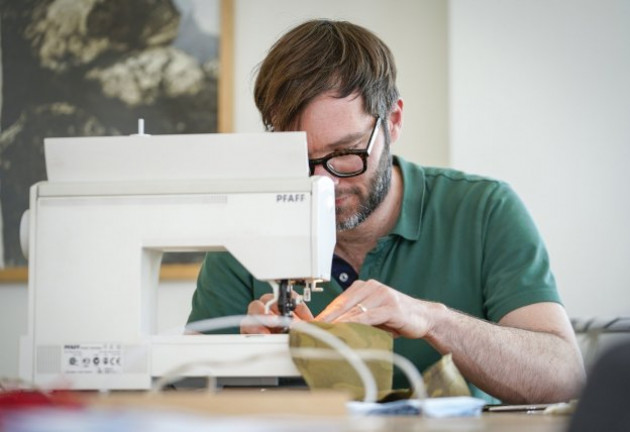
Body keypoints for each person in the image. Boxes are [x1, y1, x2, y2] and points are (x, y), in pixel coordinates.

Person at [187, 19, 585, 404]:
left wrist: (433, 321)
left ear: (393, 121)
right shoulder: (247, 229)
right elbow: (188, 396)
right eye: (300, 159)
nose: (323, 181)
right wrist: (243, 361)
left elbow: (563, 377)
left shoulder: (483, 211)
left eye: (345, 154)